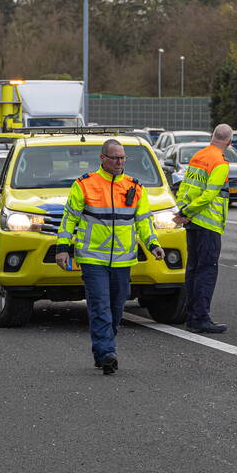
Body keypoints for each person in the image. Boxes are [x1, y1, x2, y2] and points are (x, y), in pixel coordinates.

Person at [56, 139, 165, 375]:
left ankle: (102, 350)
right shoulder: (84, 184)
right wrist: (62, 248)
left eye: (122, 158)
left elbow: (144, 221)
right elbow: (69, 219)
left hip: (123, 260)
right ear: (103, 158)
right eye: (115, 158)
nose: (119, 162)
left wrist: (153, 244)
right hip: (93, 259)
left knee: (116, 308)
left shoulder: (134, 187)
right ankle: (107, 353)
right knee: (101, 307)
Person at [174, 124, 232, 333]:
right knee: (207, 270)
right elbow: (209, 195)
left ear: (212, 136)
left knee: (193, 269)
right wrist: (186, 212)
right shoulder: (220, 162)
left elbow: (185, 187)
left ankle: (192, 316)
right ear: (229, 141)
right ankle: (200, 318)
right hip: (208, 223)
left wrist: (182, 211)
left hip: (192, 223)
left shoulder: (198, 156)